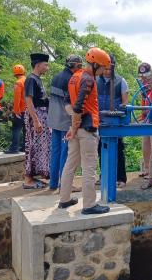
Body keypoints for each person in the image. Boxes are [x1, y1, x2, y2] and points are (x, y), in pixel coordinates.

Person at [59, 47, 110, 214]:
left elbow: (68, 103)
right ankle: (89, 205)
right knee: (89, 167)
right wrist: (75, 126)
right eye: (102, 67)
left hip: (76, 128)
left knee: (70, 164)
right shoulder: (88, 79)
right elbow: (79, 106)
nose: (103, 71)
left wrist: (73, 125)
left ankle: (64, 200)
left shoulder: (75, 76)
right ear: (95, 64)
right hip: (87, 129)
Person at [48, 55, 83, 191]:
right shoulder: (71, 79)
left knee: (55, 152)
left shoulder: (56, 76)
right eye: (79, 66)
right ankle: (65, 184)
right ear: (75, 66)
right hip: (64, 121)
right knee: (65, 153)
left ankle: (53, 183)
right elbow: (72, 102)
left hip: (53, 119)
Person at [97, 61, 129, 188]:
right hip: (100, 120)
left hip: (116, 122)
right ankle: (103, 176)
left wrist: (121, 115)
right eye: (105, 69)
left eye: (109, 69)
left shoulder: (121, 81)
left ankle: (121, 178)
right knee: (100, 149)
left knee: (119, 149)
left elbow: (125, 102)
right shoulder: (95, 80)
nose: (107, 71)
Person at [23, 53, 51, 189]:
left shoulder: (38, 79)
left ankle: (35, 176)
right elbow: (28, 100)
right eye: (45, 65)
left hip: (42, 115)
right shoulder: (31, 79)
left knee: (41, 147)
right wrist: (36, 120)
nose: (47, 67)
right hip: (36, 116)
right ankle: (28, 179)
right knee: (32, 145)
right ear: (38, 64)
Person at [137, 62, 152, 178]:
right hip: (146, 118)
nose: (143, 78)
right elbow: (144, 101)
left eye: (145, 76)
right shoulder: (143, 87)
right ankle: (147, 168)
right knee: (146, 145)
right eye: (141, 76)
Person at [5, 64, 26, 154]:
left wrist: (16, 111)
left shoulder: (18, 83)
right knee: (26, 129)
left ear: (15, 74)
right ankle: (25, 147)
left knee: (16, 129)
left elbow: (17, 98)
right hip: (29, 109)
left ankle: (14, 148)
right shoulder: (28, 80)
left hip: (20, 110)